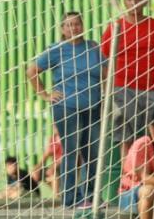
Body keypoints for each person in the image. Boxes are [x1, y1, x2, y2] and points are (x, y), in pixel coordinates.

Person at [29, 11, 105, 207]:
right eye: (69, 25)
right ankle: (70, 199)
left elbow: (105, 74)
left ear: (82, 25)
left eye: (77, 24)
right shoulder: (56, 50)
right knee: (72, 151)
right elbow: (32, 71)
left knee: (93, 152)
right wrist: (45, 94)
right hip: (67, 108)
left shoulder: (93, 48)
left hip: (94, 106)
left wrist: (105, 97)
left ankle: (91, 196)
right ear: (62, 29)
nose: (74, 28)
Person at [101, 0, 154, 165]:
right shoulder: (115, 27)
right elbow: (104, 60)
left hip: (151, 88)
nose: (134, 3)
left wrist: (151, 72)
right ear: (124, 2)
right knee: (125, 134)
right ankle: (128, 176)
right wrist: (106, 88)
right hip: (122, 87)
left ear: (145, 2)